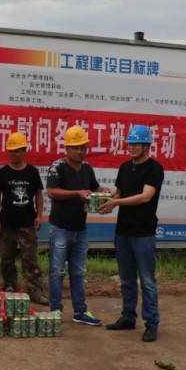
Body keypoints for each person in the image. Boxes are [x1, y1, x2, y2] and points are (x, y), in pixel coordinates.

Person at [98, 125, 164, 342]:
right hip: (123, 232)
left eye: (136, 144)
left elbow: (145, 197)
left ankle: (151, 323)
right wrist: (107, 198)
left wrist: (116, 202)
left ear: (146, 146)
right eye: (129, 143)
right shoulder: (125, 167)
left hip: (143, 234)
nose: (131, 147)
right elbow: (119, 193)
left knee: (147, 281)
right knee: (126, 279)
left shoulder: (155, 169)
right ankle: (128, 317)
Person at [46, 125, 109, 326]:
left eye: (83, 147)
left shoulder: (87, 168)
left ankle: (80, 311)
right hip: (60, 228)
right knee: (57, 271)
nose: (80, 151)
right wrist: (76, 193)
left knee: (78, 272)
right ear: (67, 148)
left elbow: (94, 188)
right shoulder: (57, 167)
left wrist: (103, 191)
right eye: (75, 148)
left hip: (80, 229)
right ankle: (55, 310)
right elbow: (52, 192)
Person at [0, 132, 48, 305]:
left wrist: (39, 215)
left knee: (29, 258)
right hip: (7, 224)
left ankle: (35, 290)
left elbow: (39, 194)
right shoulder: (2, 173)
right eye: (10, 150)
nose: (12, 154)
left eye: (16, 150)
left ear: (24, 151)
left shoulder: (32, 172)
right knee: (7, 258)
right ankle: (10, 285)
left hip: (27, 223)